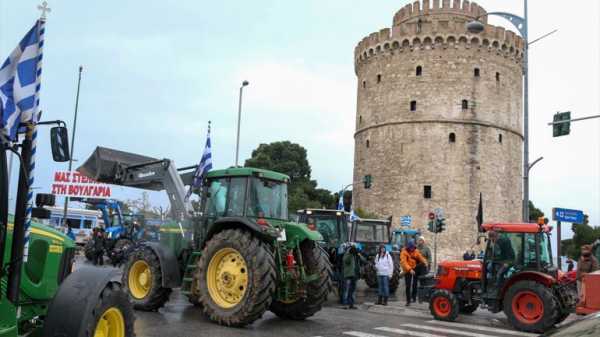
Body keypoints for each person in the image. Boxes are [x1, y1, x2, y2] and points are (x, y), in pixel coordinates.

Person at [400, 239, 428, 306]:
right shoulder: (403, 252)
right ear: (408, 247)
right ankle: (408, 301)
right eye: (410, 247)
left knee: (415, 284)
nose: (412, 249)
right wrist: (410, 270)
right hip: (407, 270)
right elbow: (404, 263)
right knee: (408, 285)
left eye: (413, 247)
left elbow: (421, 257)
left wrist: (425, 262)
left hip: (414, 268)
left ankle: (414, 298)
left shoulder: (416, 251)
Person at [342, 244, 364, 309]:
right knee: (346, 290)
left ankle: (351, 304)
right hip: (348, 275)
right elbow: (346, 261)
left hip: (355, 275)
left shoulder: (356, 254)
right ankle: (345, 304)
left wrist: (359, 255)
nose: (354, 250)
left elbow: (363, 260)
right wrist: (350, 254)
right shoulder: (347, 254)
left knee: (353, 290)